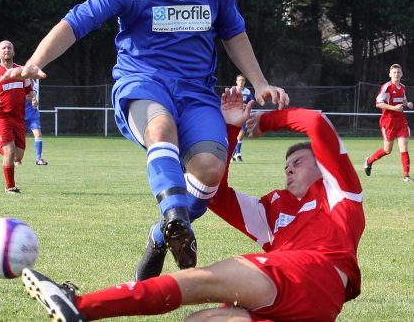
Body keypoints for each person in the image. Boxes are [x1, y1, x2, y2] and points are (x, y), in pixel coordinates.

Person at [2, 0, 289, 277]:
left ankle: (162, 234)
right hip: (143, 84)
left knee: (210, 169)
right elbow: (78, 20)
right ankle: (174, 217)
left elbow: (233, 32)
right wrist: (35, 61)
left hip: (196, 93)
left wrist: (260, 81)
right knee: (160, 126)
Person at [21, 88, 365, 322]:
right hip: (306, 307)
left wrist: (264, 122)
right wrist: (230, 131)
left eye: (299, 162)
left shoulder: (339, 191)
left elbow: (315, 123)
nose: (289, 170)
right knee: (197, 320)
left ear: (322, 165)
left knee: (196, 281)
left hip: (314, 276)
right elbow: (216, 192)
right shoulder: (272, 208)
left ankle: (80, 305)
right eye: (286, 166)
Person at [0, 40, 37, 194]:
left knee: (18, 157)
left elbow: (29, 90)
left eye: (9, 47)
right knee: (9, 152)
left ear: (13, 52)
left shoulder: (22, 72)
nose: (6, 50)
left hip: (18, 118)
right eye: (3, 48)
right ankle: (10, 187)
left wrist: (33, 98)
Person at [364, 63, 413, 182]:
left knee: (404, 147)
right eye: (394, 72)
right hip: (388, 122)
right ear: (390, 74)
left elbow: (403, 100)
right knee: (387, 150)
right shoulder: (386, 87)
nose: (396, 74)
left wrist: (408, 104)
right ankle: (369, 161)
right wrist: (393, 108)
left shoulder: (402, 87)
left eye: (398, 72)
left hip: (401, 121)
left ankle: (406, 176)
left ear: (402, 74)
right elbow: (378, 103)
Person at [230, 74, 255, 162]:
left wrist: (246, 106)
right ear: (236, 82)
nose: (241, 82)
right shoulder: (232, 91)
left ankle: (238, 154)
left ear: (245, 82)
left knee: (241, 135)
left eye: (243, 80)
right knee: (233, 136)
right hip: (233, 116)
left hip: (243, 116)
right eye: (239, 80)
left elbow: (251, 103)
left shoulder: (247, 92)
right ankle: (234, 154)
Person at [23, 90, 48, 166]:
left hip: (33, 116)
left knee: (38, 135)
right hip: (21, 116)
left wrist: (35, 103)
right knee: (17, 138)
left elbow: (35, 101)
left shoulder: (33, 84)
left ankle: (39, 159)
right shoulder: (17, 83)